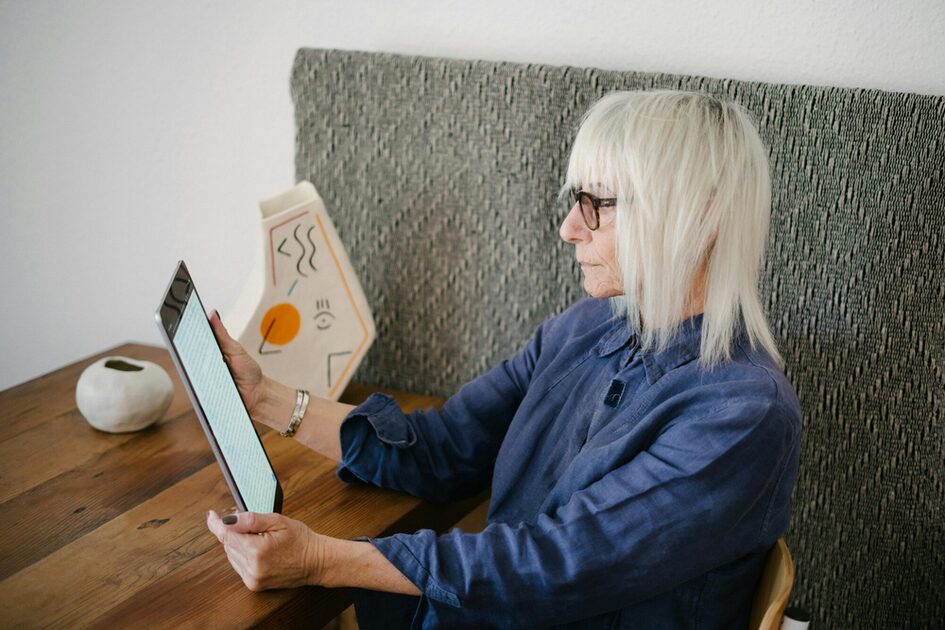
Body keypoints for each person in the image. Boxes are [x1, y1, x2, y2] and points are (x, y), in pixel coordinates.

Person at [206, 89, 802, 629]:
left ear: (697, 218)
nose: (570, 228)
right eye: (576, 200)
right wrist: (264, 396)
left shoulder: (740, 413)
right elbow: (446, 446)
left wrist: (321, 560)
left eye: (597, 204)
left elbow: (556, 564)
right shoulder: (586, 328)